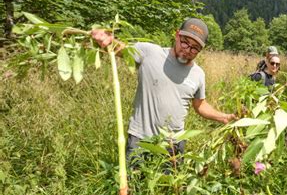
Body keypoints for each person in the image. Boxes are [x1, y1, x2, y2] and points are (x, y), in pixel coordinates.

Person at [91, 18, 237, 169]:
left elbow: (200, 105)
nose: (187, 50)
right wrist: (107, 40)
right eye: (185, 42)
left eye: (195, 48)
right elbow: (121, 49)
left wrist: (224, 117)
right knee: (134, 187)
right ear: (177, 35)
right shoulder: (150, 52)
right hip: (141, 140)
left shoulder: (198, 74)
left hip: (173, 145)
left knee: (168, 191)